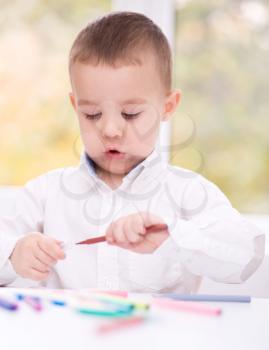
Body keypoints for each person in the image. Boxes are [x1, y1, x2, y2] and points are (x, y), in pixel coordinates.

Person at [0, 12, 265, 291]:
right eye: (92, 114)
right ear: (74, 105)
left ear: (168, 106)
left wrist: (175, 236)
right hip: (68, 334)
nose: (111, 130)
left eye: (130, 113)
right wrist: (13, 254)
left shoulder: (187, 192)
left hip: (162, 334)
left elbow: (247, 254)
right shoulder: (46, 194)